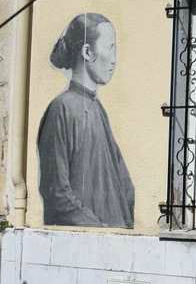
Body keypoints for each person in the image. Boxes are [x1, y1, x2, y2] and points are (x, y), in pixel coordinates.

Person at [38, 13, 135, 227]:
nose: (114, 58)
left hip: (114, 241)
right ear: (88, 52)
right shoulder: (61, 109)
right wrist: (100, 229)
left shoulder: (97, 108)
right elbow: (57, 194)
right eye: (110, 48)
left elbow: (124, 186)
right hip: (88, 244)